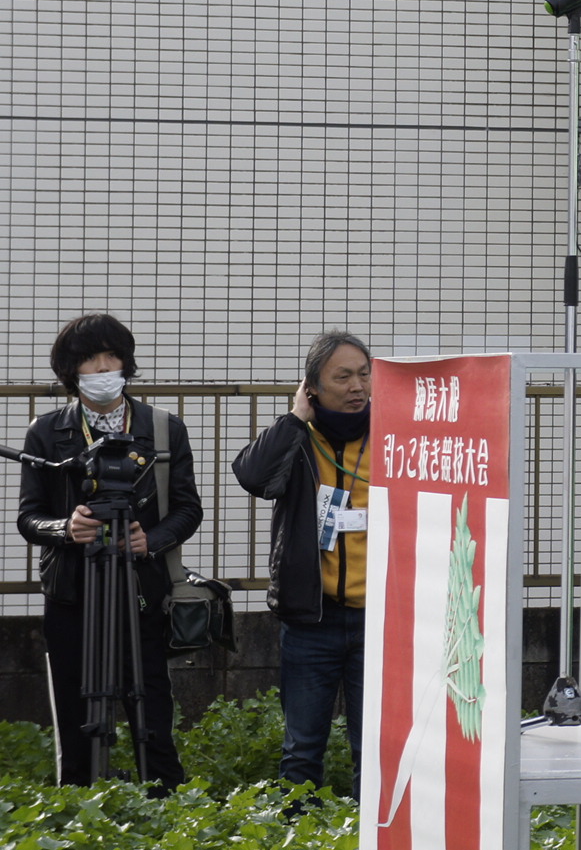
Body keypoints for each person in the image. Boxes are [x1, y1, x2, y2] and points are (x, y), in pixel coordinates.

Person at [15, 314, 199, 788]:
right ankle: (79, 801)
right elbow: (28, 517)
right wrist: (65, 527)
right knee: (77, 710)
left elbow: (187, 510)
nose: (101, 368)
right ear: (71, 371)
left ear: (125, 362)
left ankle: (163, 795)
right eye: (89, 359)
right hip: (72, 592)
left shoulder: (163, 430)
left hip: (140, 588)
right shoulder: (46, 433)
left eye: (110, 356)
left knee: (150, 703)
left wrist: (150, 540)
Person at [232, 331, 376, 792]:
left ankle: (369, 841)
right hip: (312, 619)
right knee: (302, 746)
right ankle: (298, 840)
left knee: (373, 743)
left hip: (379, 620)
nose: (357, 386)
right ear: (311, 386)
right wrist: (296, 417)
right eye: (343, 377)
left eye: (364, 374)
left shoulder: (393, 435)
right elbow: (253, 476)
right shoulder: (298, 439)